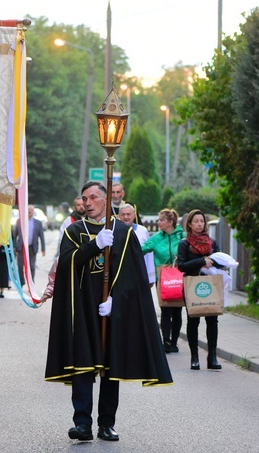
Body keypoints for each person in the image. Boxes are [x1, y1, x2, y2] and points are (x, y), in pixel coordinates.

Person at [45, 181, 172, 443]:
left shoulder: (124, 233)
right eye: (84, 198)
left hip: (110, 309)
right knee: (82, 364)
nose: (88, 203)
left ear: (105, 200)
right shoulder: (74, 231)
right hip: (82, 309)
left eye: (93, 198)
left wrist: (117, 299)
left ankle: (106, 423)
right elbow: (67, 264)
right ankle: (82, 423)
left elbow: (133, 276)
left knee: (109, 368)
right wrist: (94, 246)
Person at [177, 209, 222, 370]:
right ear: (189, 224)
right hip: (192, 285)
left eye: (202, 221)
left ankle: (212, 357)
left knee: (212, 320)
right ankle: (194, 358)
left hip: (210, 285)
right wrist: (201, 261)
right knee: (193, 320)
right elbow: (181, 266)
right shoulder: (185, 244)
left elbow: (220, 261)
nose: (199, 224)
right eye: (196, 221)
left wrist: (213, 262)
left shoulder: (212, 242)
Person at [141, 208, 185, 353]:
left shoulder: (182, 237)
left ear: (170, 222)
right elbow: (141, 249)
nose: (158, 222)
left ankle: (174, 341)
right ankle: (165, 341)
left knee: (177, 310)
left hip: (179, 277)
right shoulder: (157, 238)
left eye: (161, 220)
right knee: (165, 309)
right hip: (163, 278)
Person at [118, 203, 155, 286]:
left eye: (128, 214)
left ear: (134, 215)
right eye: (123, 214)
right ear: (119, 216)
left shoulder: (142, 231)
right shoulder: (115, 231)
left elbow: (149, 255)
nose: (126, 217)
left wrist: (150, 277)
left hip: (140, 274)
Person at [13, 204, 46, 282]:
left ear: (33, 211)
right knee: (20, 266)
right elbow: (15, 235)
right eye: (28, 209)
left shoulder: (38, 223)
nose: (29, 211)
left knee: (32, 266)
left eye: (31, 210)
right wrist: (14, 246)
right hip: (21, 247)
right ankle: (22, 281)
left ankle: (31, 281)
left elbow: (41, 236)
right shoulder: (19, 221)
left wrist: (43, 249)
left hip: (32, 247)